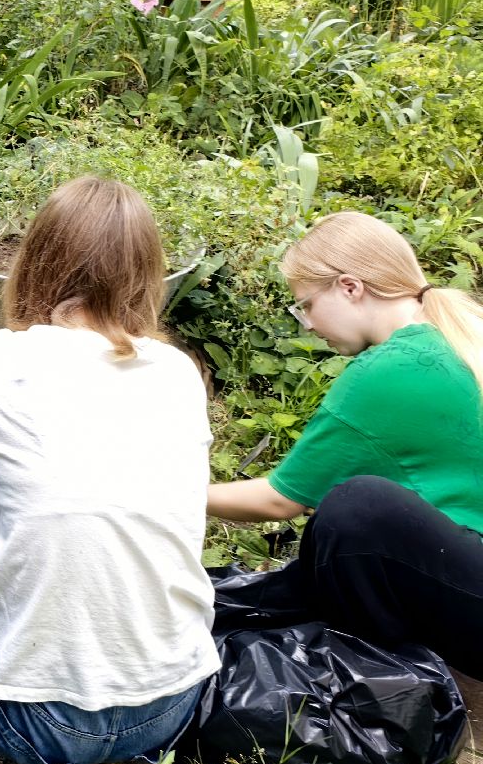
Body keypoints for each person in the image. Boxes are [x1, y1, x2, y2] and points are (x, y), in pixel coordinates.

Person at [0, 177, 219, 764]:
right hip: (175, 703)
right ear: (146, 276)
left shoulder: (0, 359)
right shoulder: (178, 371)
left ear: (38, 260)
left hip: (33, 725)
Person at [206, 211, 483, 677]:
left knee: (353, 511)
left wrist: (164, 494)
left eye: (306, 305)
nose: (308, 325)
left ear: (350, 287)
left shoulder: (389, 369)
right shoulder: (461, 335)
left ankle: (381, 677)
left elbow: (278, 500)